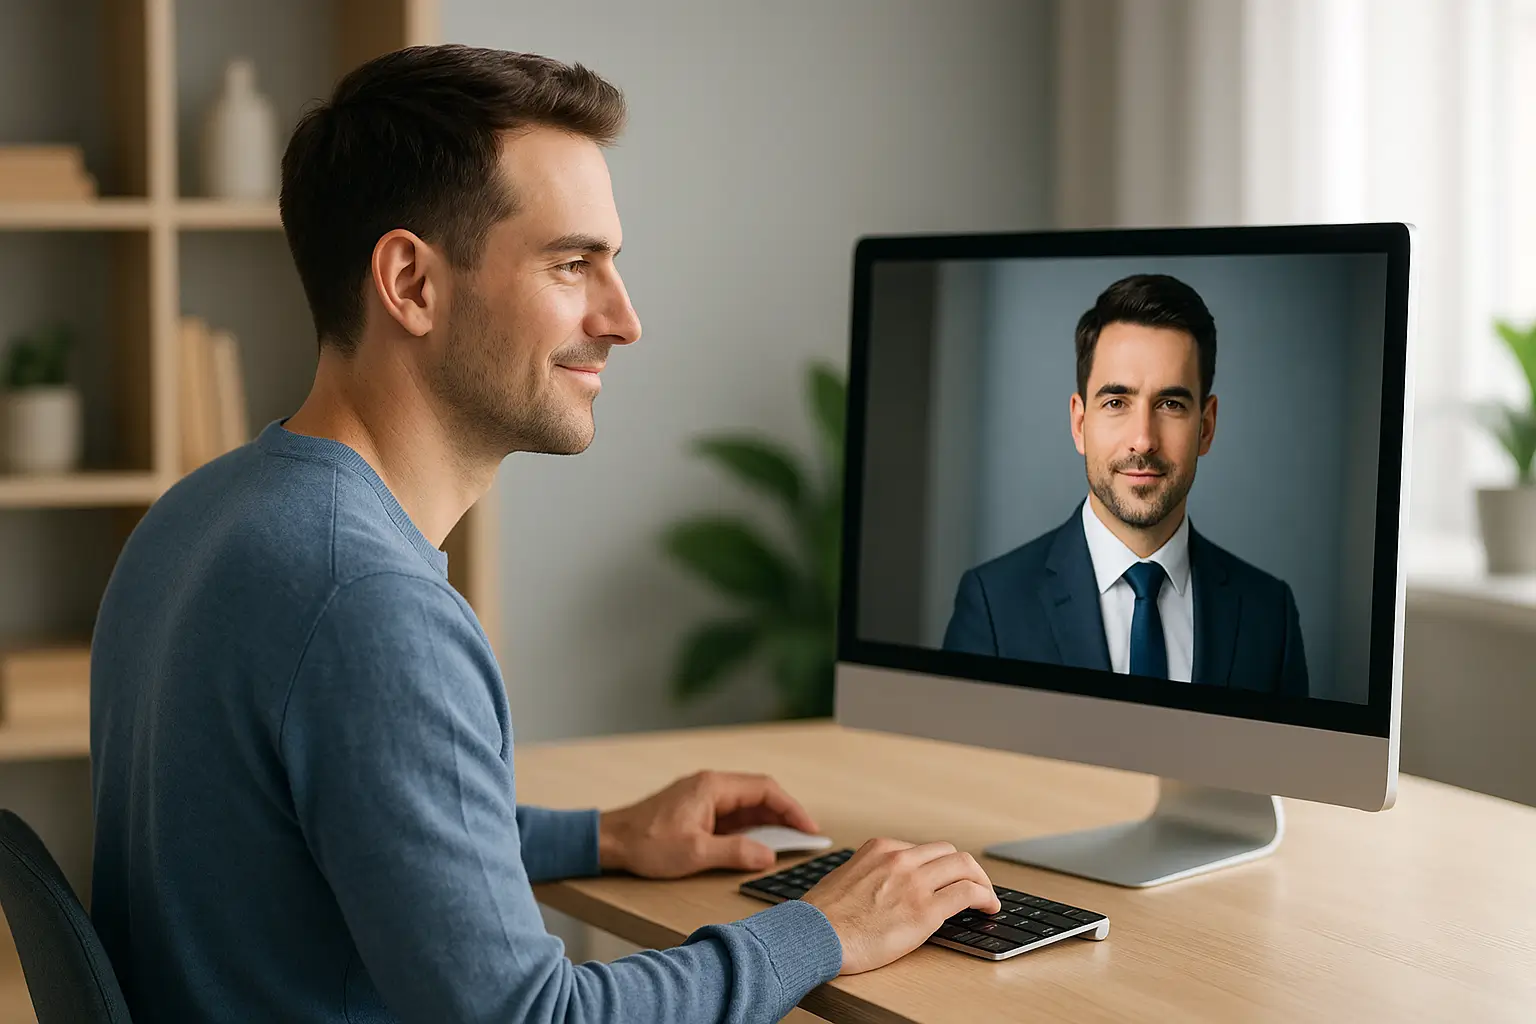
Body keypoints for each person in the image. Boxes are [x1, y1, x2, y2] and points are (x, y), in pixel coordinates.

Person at [89, 46, 1001, 1024]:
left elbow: (328, 831)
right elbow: (534, 1018)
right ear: (411, 283)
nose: (624, 319)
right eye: (574, 264)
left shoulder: (202, 515)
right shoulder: (368, 603)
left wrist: (605, 834)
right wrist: (830, 927)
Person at [942, 273, 1309, 696]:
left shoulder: (1270, 614)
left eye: (1170, 404)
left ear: (1206, 426)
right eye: (1116, 402)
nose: (1143, 440)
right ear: (1080, 423)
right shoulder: (993, 606)